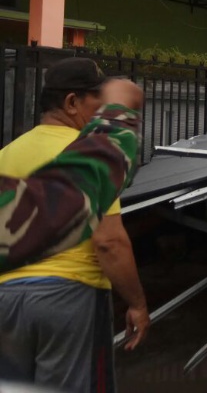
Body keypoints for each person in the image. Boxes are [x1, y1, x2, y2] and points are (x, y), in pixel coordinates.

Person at [0, 59, 149, 393]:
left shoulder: (5, 154)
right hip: (67, 297)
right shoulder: (89, 154)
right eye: (97, 100)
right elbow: (109, 241)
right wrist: (137, 303)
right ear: (71, 103)